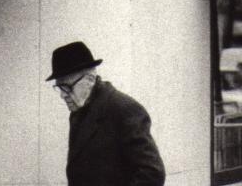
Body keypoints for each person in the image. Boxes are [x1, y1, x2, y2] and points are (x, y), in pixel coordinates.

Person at [47, 41, 165, 186]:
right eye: (60, 88)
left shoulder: (124, 109)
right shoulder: (78, 111)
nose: (63, 95)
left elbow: (153, 173)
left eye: (67, 87)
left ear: (90, 79)